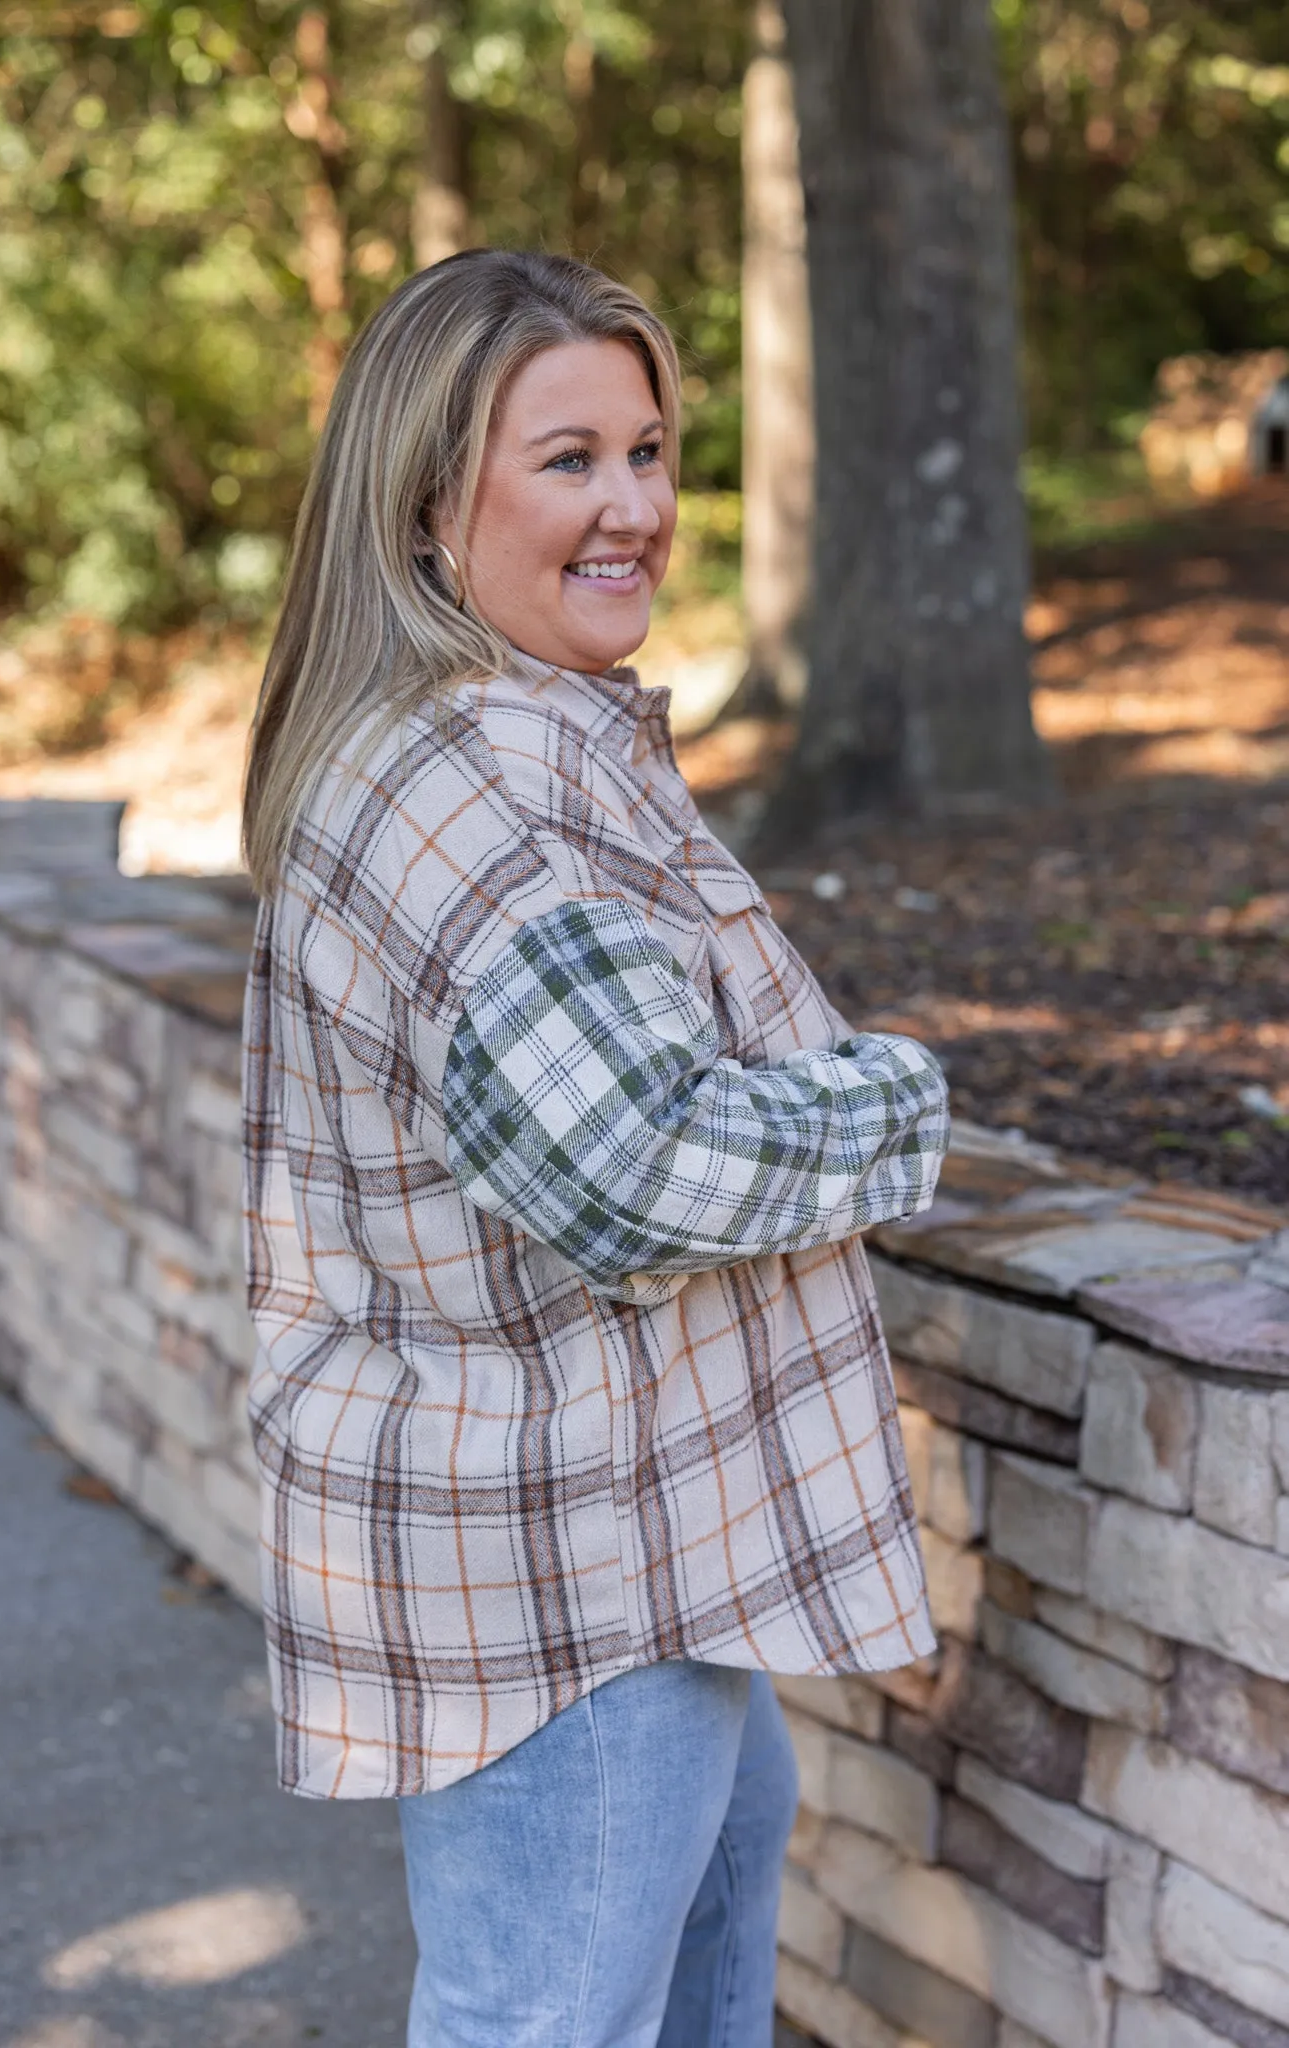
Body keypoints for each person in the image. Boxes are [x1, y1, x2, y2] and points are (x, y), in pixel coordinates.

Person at [240, 248, 949, 2048]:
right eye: (567, 460)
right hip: (564, 1557)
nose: (631, 505)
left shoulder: (492, 737)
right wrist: (899, 1103)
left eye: (646, 451)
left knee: (702, 1892)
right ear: (422, 502)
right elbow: (636, 1164)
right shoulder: (474, 785)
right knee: (547, 2009)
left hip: (613, 1523)